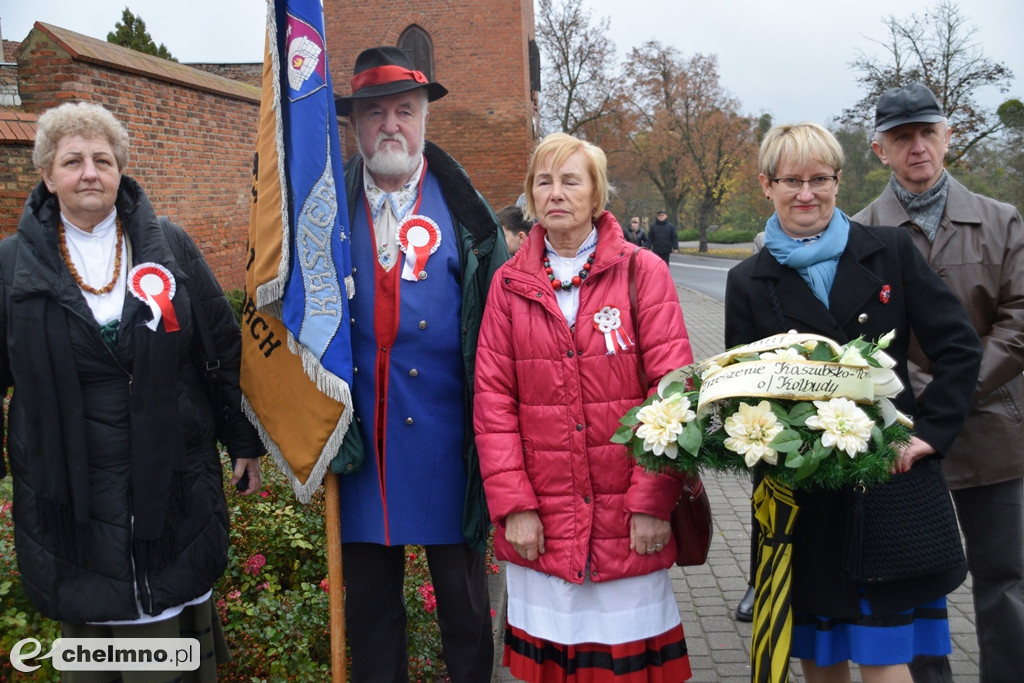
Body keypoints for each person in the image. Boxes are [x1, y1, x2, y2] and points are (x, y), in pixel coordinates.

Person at [0, 101, 264, 679]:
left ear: (120, 170)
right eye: (72, 161)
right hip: (72, 494)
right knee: (98, 632)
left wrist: (244, 440)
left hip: (172, 479)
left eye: (103, 160)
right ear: (47, 175)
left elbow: (221, 347)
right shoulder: (11, 266)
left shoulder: (168, 245)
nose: (89, 173)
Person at [725, 122, 981, 682]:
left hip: (889, 484)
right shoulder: (748, 280)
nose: (806, 194)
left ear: (839, 181)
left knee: (886, 660)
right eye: (791, 181)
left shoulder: (890, 252)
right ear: (767, 185)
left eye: (820, 179)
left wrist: (930, 434)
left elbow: (960, 348)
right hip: (805, 500)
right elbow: (743, 395)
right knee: (821, 661)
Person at [475, 132, 694, 682]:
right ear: (531, 195)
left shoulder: (644, 272)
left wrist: (652, 500)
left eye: (571, 181)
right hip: (544, 517)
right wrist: (515, 507)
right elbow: (493, 404)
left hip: (627, 516)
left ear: (597, 195)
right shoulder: (508, 286)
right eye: (544, 181)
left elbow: (673, 394)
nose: (556, 193)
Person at [333, 46, 507, 683]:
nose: (390, 126)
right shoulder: (322, 212)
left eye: (404, 111)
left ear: (425, 118)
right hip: (359, 448)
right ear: (354, 124)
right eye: (374, 113)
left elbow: (499, 338)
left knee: (464, 609)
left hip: (446, 443)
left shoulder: (468, 216)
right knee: (371, 611)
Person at [853, 82, 1024, 683]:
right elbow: (856, 336)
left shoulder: (1001, 220)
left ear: (948, 137)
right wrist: (914, 401)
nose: (918, 147)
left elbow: (1019, 319)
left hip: (992, 429)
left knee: (1006, 580)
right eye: (902, 137)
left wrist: (949, 391)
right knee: (914, 581)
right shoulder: (859, 233)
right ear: (880, 149)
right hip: (901, 434)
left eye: (928, 132)